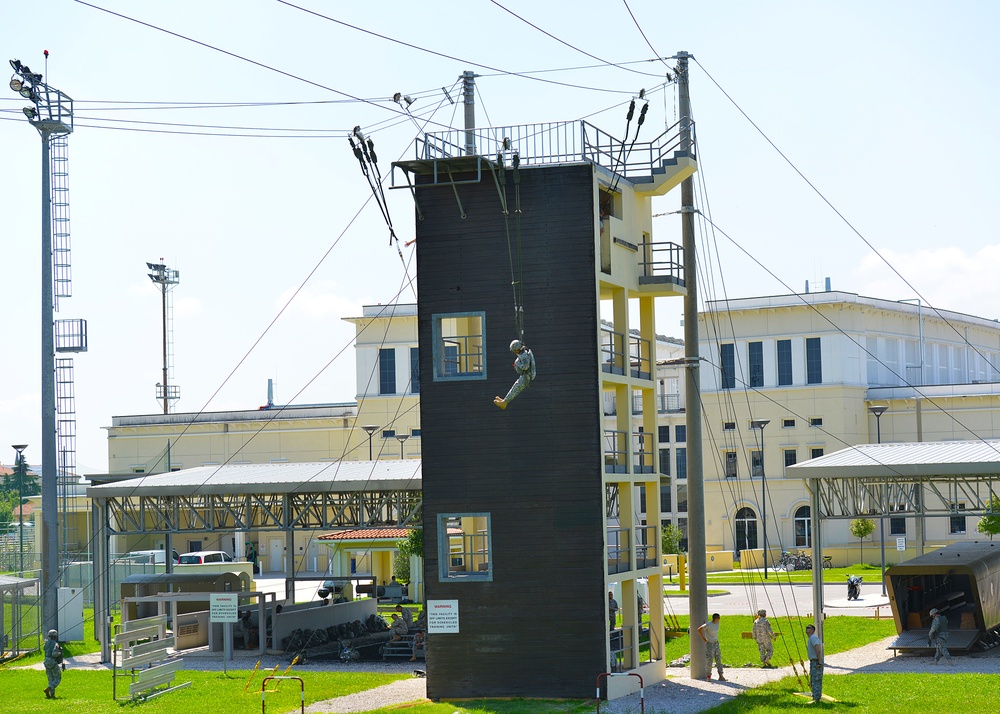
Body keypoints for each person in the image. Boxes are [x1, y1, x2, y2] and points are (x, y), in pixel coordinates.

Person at [493, 339, 536, 410]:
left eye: (515, 351)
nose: (515, 353)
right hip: (525, 375)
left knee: (516, 388)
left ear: (518, 349)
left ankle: (504, 402)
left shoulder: (524, 355)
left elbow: (525, 367)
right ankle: (505, 400)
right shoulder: (523, 354)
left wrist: (517, 363)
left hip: (526, 377)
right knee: (514, 387)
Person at [698, 613, 725, 681]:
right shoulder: (708, 624)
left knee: (718, 659)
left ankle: (721, 675)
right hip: (710, 644)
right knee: (709, 660)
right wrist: (703, 638)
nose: (719, 620)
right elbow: (699, 629)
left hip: (716, 643)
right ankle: (708, 676)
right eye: (718, 618)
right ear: (715, 618)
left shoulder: (717, 624)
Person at [43, 628, 63, 699]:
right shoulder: (55, 644)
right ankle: (48, 688)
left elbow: (44, 649)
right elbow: (54, 654)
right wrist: (60, 652)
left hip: (46, 661)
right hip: (52, 662)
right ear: (55, 636)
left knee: (50, 679)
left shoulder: (46, 643)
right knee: (57, 678)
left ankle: (52, 695)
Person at [805, 624, 823, 702]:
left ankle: (816, 699)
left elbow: (818, 650)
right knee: (813, 680)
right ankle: (815, 697)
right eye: (806, 628)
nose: (807, 629)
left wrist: (819, 662)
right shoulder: (811, 638)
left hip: (816, 661)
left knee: (816, 680)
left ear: (812, 630)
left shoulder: (813, 638)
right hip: (813, 661)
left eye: (809, 628)